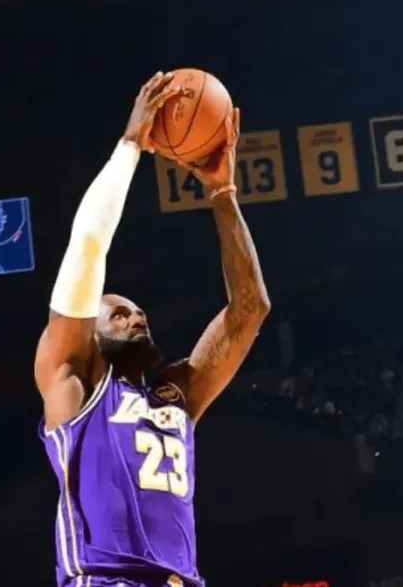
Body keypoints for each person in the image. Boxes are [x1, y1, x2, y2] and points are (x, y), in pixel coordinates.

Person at [35, 71, 270, 587]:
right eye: (119, 312)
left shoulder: (176, 398)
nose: (136, 316)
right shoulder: (74, 384)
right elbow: (88, 246)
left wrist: (223, 193)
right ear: (89, 332)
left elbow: (250, 309)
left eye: (139, 311)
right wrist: (130, 146)